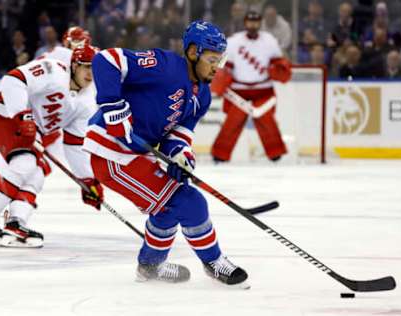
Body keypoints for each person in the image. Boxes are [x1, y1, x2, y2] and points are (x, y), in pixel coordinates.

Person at [83, 21, 249, 287]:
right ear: (193, 52)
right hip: (112, 152)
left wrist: (181, 157)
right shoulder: (164, 65)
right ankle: (213, 261)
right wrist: (112, 104)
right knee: (190, 202)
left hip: (137, 154)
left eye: (220, 60)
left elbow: (179, 134)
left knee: (168, 207)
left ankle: (150, 266)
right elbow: (107, 59)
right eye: (212, 59)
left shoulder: (203, 96)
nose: (217, 66)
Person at [0, 45, 103, 248]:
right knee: (25, 163)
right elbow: (13, 79)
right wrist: (22, 114)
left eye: (95, 70)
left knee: (36, 175)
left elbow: (74, 144)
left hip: (33, 130)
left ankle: (15, 223)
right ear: (74, 65)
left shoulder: (87, 102)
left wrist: (87, 180)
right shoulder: (53, 70)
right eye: (87, 68)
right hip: (5, 115)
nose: (91, 75)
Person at [210, 11, 292, 163]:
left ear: (260, 23)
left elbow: (278, 61)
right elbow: (223, 64)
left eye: (255, 22)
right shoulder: (233, 41)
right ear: (245, 23)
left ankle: (276, 155)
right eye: (250, 22)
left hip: (263, 89)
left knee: (267, 121)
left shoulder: (269, 40)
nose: (253, 25)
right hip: (238, 90)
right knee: (232, 122)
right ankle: (219, 155)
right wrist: (220, 76)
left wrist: (280, 69)